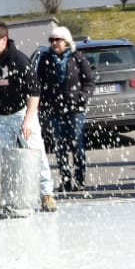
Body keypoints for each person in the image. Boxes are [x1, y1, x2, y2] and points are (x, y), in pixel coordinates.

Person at [0, 23, 56, 212]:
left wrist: (28, 121)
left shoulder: (19, 60)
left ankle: (46, 194)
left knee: (34, 150)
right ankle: (12, 197)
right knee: (8, 158)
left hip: (21, 113)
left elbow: (35, 93)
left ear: (3, 40)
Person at [35, 26, 96, 193]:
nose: (54, 43)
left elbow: (90, 81)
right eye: (52, 40)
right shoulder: (45, 59)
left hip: (75, 109)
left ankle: (80, 179)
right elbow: (39, 83)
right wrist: (43, 102)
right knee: (60, 147)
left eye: (58, 40)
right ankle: (66, 180)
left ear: (67, 41)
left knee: (77, 144)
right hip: (55, 109)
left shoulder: (77, 58)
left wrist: (82, 96)